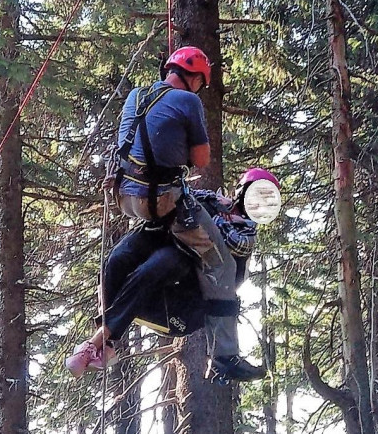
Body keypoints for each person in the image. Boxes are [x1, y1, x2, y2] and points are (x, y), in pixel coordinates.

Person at [66, 45, 258, 380]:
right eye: (201, 81)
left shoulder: (136, 96)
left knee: (124, 256)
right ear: (195, 76)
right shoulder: (189, 101)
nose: (200, 88)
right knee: (222, 264)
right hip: (162, 202)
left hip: (128, 199)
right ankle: (226, 356)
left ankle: (101, 342)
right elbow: (200, 160)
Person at [65, 169, 281, 382]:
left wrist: (205, 217)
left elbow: (227, 241)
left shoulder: (245, 234)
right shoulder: (211, 199)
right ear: (244, 191)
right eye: (258, 195)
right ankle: (106, 347)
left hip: (183, 307)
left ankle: (96, 342)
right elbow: (173, 197)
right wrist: (125, 185)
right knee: (118, 259)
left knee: (160, 265)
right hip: (151, 286)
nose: (259, 204)